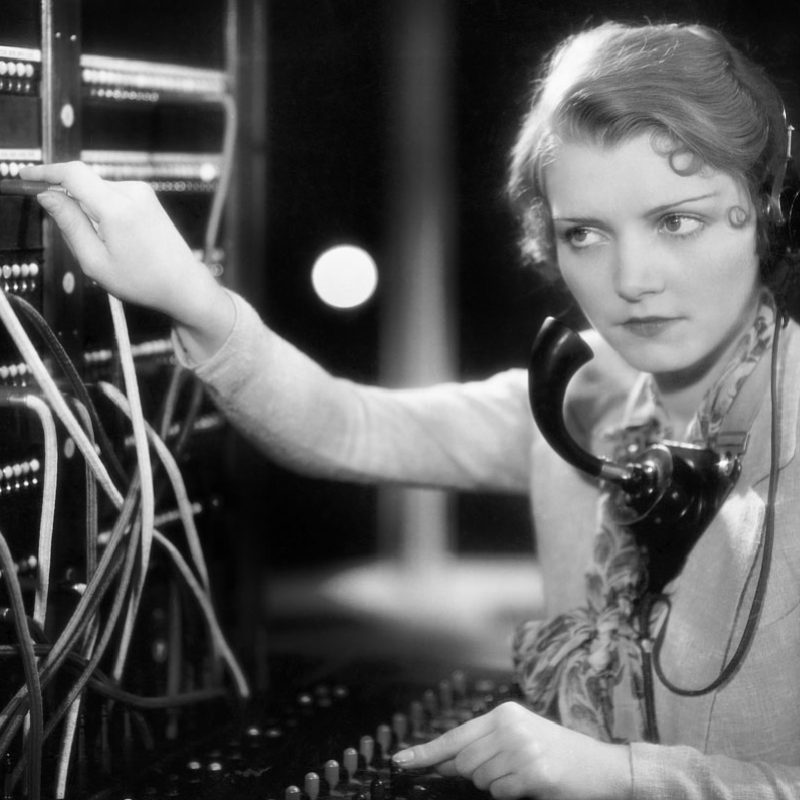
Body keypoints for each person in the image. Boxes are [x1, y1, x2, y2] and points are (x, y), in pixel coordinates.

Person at [20, 18, 800, 800]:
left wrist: (620, 777)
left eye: (677, 221)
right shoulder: (586, 394)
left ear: (770, 213)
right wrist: (186, 295)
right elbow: (348, 427)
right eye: (585, 233)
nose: (632, 279)